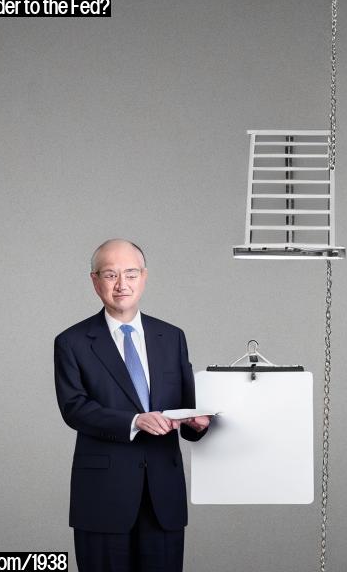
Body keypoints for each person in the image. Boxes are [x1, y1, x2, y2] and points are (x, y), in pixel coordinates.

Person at [54, 239, 210, 572]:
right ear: (95, 281)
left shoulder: (172, 337)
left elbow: (187, 406)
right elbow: (74, 408)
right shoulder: (72, 341)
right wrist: (134, 420)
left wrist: (198, 424)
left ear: (144, 277)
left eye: (130, 273)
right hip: (102, 496)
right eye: (110, 275)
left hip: (163, 497)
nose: (121, 284)